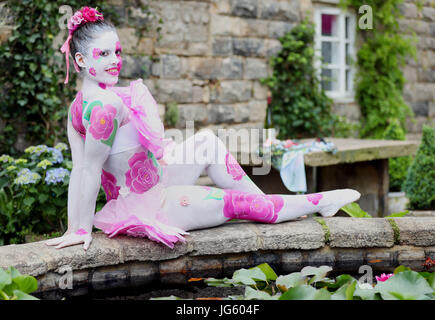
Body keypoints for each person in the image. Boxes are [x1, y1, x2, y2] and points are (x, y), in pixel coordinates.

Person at [46, 7, 360, 251]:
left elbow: (79, 169)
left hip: (156, 181)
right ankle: (318, 201)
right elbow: (86, 170)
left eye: (117, 52)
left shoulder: (82, 103)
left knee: (207, 141)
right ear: (80, 59)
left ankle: (268, 208)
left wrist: (77, 227)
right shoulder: (105, 107)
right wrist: (79, 231)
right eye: (103, 54)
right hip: (149, 207)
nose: (116, 60)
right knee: (235, 203)